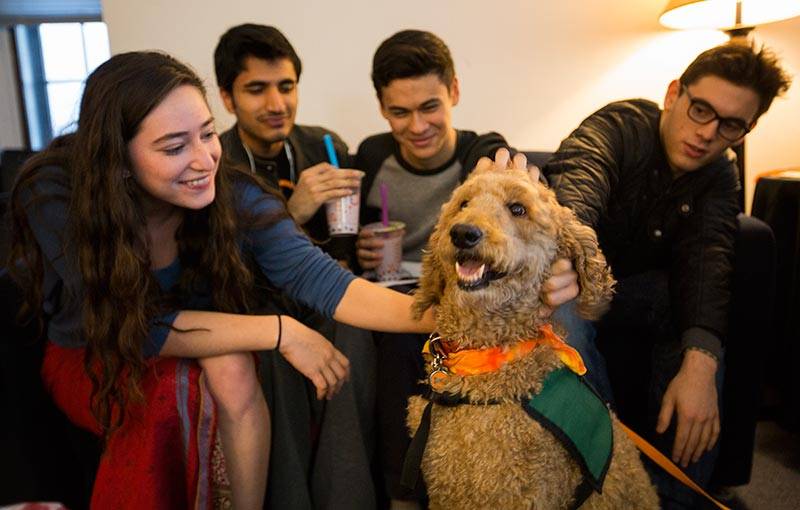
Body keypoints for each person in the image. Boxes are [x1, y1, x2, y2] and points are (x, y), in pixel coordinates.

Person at [7, 51, 435, 510]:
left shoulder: (233, 193)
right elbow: (132, 325)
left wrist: (443, 316)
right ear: (120, 158)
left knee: (232, 366)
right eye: (174, 148)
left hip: (186, 332)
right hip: (92, 352)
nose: (204, 159)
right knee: (180, 394)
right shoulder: (56, 193)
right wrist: (282, 332)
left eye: (208, 134)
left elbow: (322, 279)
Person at [543, 42, 791, 508]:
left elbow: (709, 265)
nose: (707, 133)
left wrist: (701, 364)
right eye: (701, 110)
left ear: (746, 130)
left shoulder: (719, 175)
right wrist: (571, 259)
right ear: (674, 93)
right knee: (564, 302)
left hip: (640, 299)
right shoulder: (620, 126)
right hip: (580, 286)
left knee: (695, 329)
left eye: (730, 125)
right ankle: (609, 480)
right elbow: (577, 186)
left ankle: (677, 498)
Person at [353, 30, 580, 509]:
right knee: (389, 338)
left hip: (468, 292)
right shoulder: (372, 156)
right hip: (395, 290)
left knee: (405, 340)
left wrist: (499, 173)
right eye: (400, 112)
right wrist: (361, 249)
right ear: (382, 109)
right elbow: (353, 236)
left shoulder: (480, 151)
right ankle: (400, 489)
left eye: (430, 107)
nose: (418, 126)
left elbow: (508, 173)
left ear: (454, 91)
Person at [214, 23, 362, 267]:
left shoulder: (326, 148)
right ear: (228, 99)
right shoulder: (212, 166)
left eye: (286, 87)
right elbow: (221, 268)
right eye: (256, 90)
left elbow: (348, 246)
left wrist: (364, 247)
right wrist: (292, 215)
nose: (277, 105)